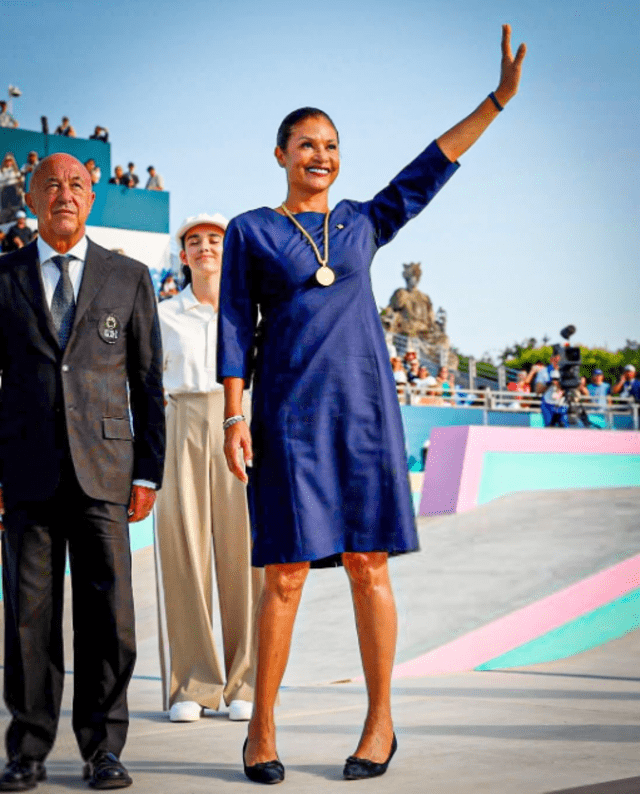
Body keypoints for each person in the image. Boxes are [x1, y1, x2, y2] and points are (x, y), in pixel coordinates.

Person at [218, 24, 525, 784]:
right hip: (286, 420)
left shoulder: (362, 220)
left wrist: (496, 101)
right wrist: (233, 415)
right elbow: (233, 325)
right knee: (284, 575)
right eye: (306, 144)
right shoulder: (251, 231)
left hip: (363, 421)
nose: (320, 155)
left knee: (367, 565)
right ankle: (261, 731)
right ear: (282, 154)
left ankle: (380, 723)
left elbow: (430, 167)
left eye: (330, 145)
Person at [0, 153, 165, 791]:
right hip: (26, 473)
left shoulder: (129, 277)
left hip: (107, 472)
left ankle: (104, 748)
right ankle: (28, 751)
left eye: (76, 185)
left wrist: (148, 471)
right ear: (32, 198)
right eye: (51, 185)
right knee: (27, 617)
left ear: (91, 198)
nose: (63, 194)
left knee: (108, 616)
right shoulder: (5, 276)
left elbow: (149, 382)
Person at [155, 213, 261, 725]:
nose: (204, 249)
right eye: (194, 242)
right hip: (184, 423)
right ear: (183, 255)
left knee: (245, 555)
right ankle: (192, 684)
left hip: (240, 424)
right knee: (184, 556)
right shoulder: (164, 313)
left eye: (214, 240)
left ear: (229, 248)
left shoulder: (252, 313)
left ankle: (246, 680)